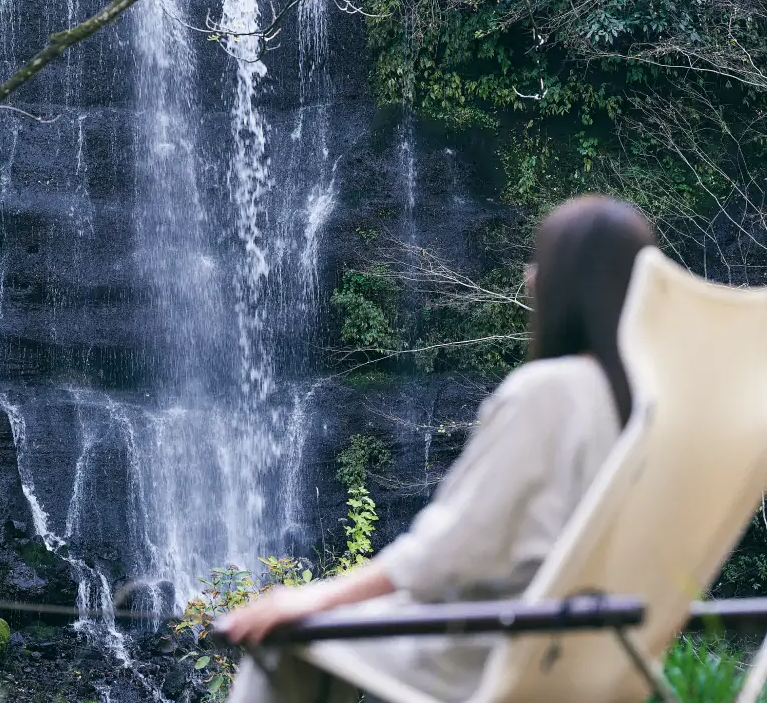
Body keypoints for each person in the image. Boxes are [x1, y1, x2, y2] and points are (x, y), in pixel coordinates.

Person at [219, 195, 657, 703]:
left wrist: (312, 595)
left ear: (568, 284)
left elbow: (450, 551)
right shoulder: (646, 408)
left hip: (490, 646)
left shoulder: (550, 390)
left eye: (541, 262)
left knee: (283, 639)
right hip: (594, 650)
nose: (530, 277)